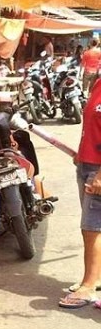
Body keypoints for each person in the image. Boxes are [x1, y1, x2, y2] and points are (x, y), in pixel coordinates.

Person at [58, 77, 101, 309]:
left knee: (92, 227)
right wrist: (82, 153)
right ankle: (96, 277)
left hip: (97, 169)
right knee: (95, 226)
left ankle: (88, 286)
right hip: (87, 163)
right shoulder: (98, 83)